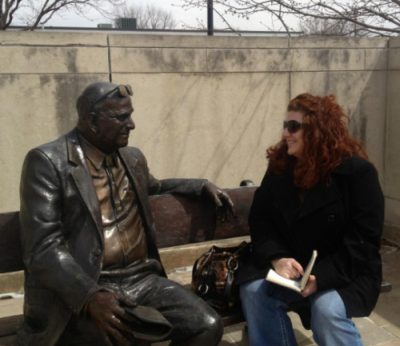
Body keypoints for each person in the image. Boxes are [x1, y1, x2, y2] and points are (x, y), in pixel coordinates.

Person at [18, 81, 235, 346]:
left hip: (142, 280)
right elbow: (42, 247)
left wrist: (200, 186)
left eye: (130, 114)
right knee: (117, 336)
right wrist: (89, 296)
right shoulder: (47, 162)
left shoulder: (132, 159)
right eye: (122, 117)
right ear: (93, 121)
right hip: (88, 285)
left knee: (207, 325)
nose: (131, 124)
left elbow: (155, 187)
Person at [236, 93, 384, 346]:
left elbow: (364, 240)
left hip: (345, 270)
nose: (286, 134)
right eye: (285, 126)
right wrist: (277, 257)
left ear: (317, 131)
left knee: (327, 310)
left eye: (294, 127)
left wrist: (322, 278)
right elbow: (260, 219)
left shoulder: (358, 174)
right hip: (292, 267)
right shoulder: (280, 167)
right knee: (253, 292)